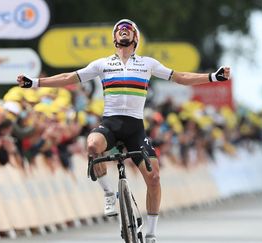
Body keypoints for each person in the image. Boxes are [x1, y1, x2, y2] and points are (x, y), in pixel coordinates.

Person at [17, 19, 230, 242]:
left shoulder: (148, 64)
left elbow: (182, 77)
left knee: (154, 179)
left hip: (135, 129)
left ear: (135, 38)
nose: (124, 32)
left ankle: (150, 233)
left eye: (128, 30)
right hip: (110, 124)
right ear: (114, 38)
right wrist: (34, 83)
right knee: (91, 145)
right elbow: (68, 78)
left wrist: (214, 77)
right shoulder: (102, 64)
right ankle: (109, 193)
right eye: (120, 30)